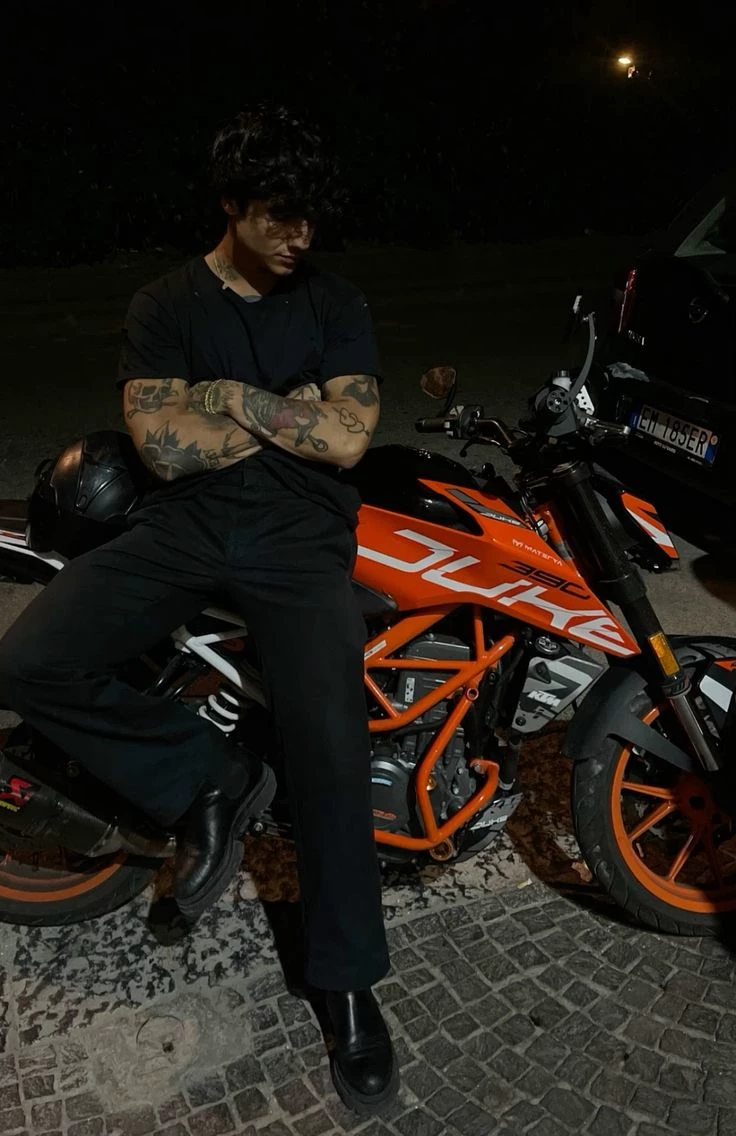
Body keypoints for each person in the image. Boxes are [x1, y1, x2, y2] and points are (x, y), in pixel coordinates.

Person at [0, 104, 398, 1113]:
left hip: (300, 542)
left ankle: (347, 984)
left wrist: (223, 397)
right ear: (230, 203)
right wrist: (288, 412)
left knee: (330, 747)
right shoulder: (165, 302)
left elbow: (348, 440)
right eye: (277, 215)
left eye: (311, 216)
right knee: (29, 659)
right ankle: (207, 777)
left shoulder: (334, 300)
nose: (299, 235)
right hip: (181, 530)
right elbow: (161, 448)